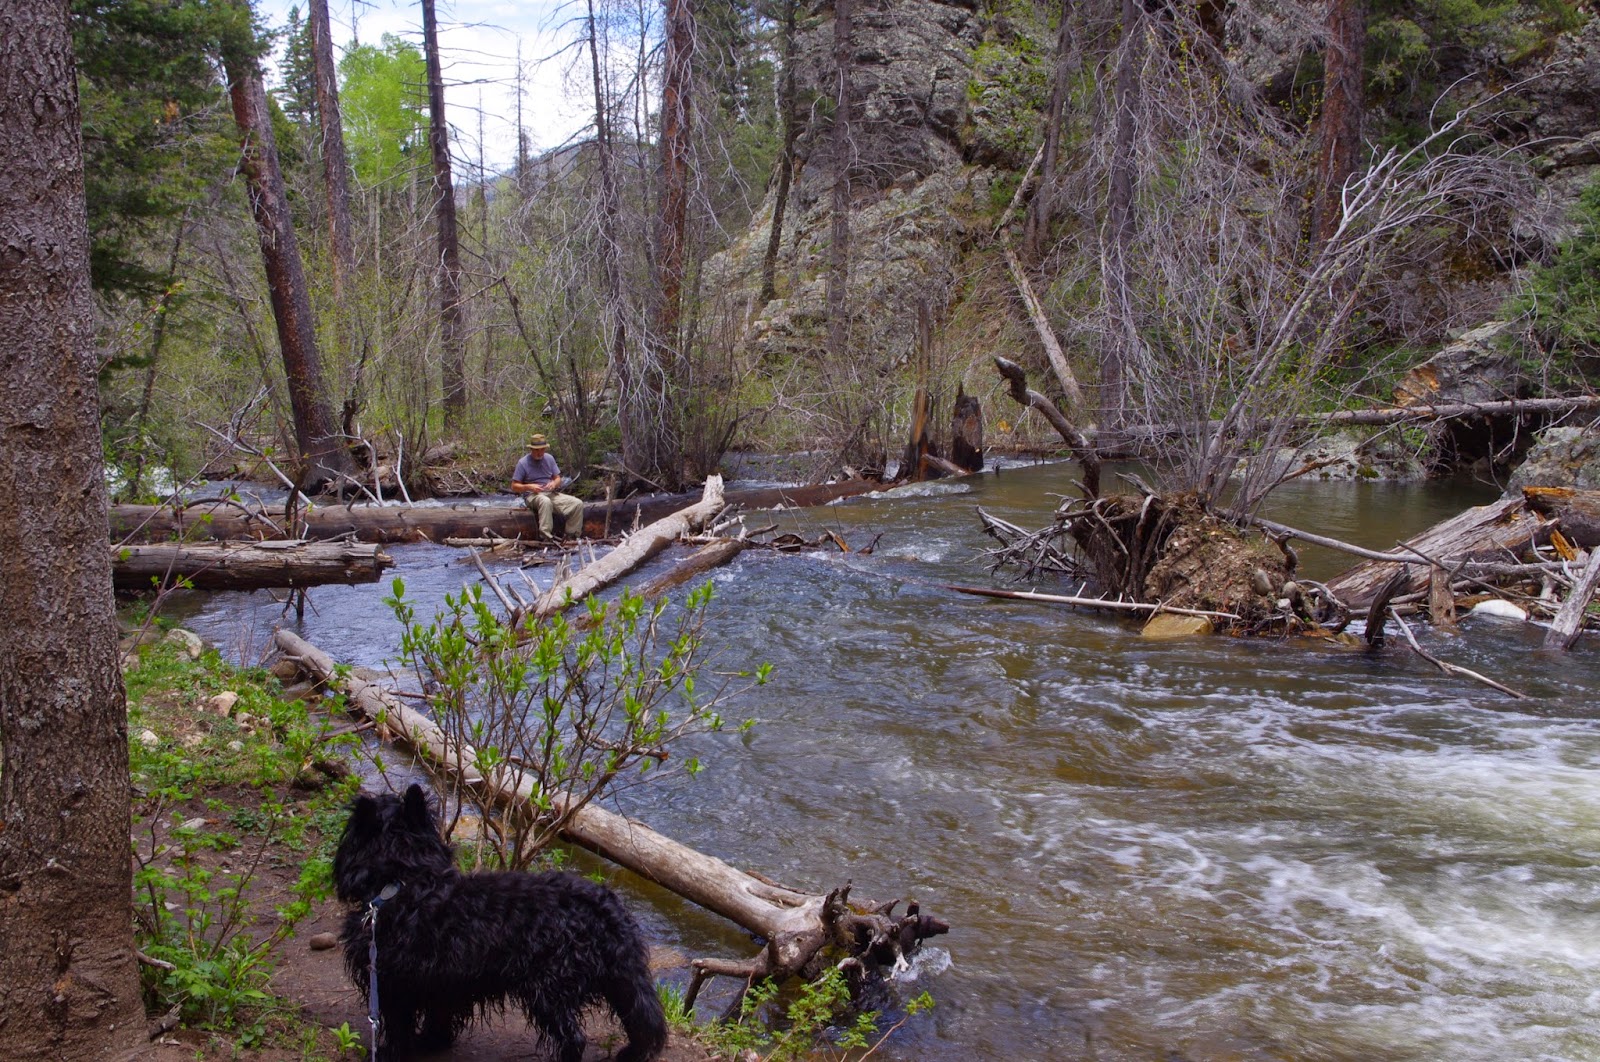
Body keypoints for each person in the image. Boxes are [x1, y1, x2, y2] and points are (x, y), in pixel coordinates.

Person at [511, 434, 584, 541]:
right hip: (532, 495)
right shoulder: (523, 463)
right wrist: (529, 486)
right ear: (531, 449)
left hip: (550, 493)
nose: (540, 452)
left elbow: (558, 478)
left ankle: (571, 536)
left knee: (577, 504)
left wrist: (554, 484)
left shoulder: (549, 458)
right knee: (545, 501)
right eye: (537, 450)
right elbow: (514, 486)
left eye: (542, 449)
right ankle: (546, 536)